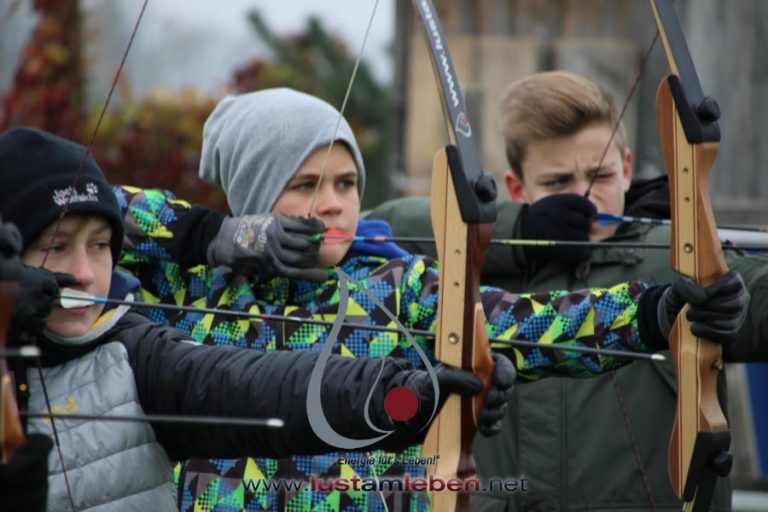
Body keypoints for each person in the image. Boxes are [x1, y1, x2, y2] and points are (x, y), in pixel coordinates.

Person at [112, 87, 748, 512]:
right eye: (304, 184)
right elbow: (83, 206)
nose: (332, 203)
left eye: (346, 182)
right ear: (250, 194)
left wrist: (656, 314)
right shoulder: (189, 288)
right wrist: (220, 234)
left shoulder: (397, 291)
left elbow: (534, 324)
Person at [0, 127, 518, 512]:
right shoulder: (194, 285)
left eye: (100, 247)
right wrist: (224, 236)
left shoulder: (134, 354)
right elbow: (107, 198)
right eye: (55, 248)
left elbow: (271, 389)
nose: (86, 274)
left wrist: (413, 399)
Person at [367, 71, 767, 511]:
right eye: (558, 183)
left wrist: (729, 301)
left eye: (600, 176)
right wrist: (512, 227)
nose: (584, 198)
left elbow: (756, 296)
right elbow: (366, 234)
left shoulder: (679, 258)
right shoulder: (474, 272)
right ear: (517, 189)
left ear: (628, 168)